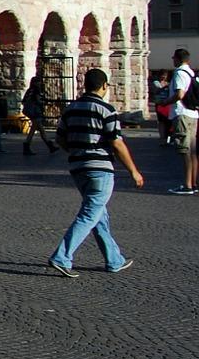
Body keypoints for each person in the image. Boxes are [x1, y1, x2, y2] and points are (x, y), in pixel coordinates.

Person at [48, 68, 143, 277]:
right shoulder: (106, 110)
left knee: (99, 214)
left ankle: (114, 259)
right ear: (104, 86)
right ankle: (62, 256)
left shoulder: (71, 109)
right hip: (100, 169)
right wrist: (133, 171)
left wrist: (75, 151)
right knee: (90, 214)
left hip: (78, 168)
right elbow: (116, 143)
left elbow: (60, 138)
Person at [170, 49, 197, 196]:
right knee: (192, 151)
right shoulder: (191, 72)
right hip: (193, 113)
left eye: (173, 58)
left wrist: (166, 102)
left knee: (184, 150)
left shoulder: (179, 73)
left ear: (178, 59)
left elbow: (180, 94)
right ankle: (193, 182)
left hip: (182, 113)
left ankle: (187, 185)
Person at [21, 74, 57, 156]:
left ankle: (50, 146)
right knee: (34, 129)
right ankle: (27, 145)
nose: (40, 83)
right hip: (35, 112)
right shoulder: (36, 90)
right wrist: (45, 102)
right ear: (36, 83)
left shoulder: (29, 90)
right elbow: (38, 101)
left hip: (29, 111)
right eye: (39, 82)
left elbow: (23, 101)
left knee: (40, 129)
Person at [149, 70, 173, 145]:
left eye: (165, 75)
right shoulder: (156, 83)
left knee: (169, 121)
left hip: (168, 104)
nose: (163, 77)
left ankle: (168, 137)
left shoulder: (168, 84)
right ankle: (162, 137)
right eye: (162, 75)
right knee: (161, 121)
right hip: (160, 104)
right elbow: (155, 91)